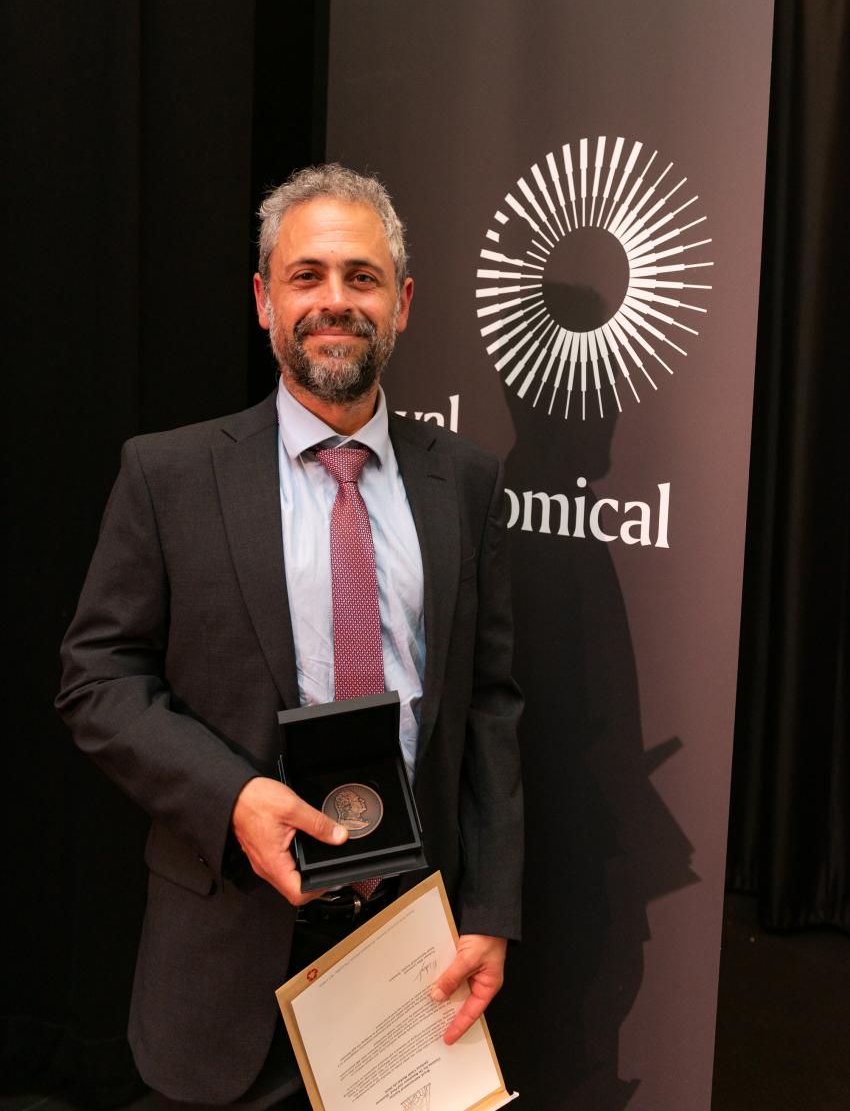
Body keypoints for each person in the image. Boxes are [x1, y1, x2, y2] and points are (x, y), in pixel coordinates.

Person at [57, 164, 523, 1110]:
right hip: (229, 940)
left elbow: (489, 705)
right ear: (264, 300)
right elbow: (95, 677)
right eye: (306, 276)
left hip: (411, 955)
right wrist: (231, 798)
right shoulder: (168, 475)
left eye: (362, 276)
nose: (335, 301)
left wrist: (491, 912)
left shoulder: (467, 482)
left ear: (404, 303)